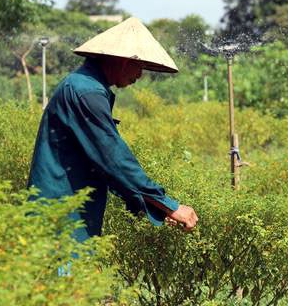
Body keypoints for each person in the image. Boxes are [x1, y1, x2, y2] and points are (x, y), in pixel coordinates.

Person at [27, 17, 198, 245]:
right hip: (59, 218)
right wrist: (168, 205)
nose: (140, 75)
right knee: (61, 277)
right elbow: (114, 159)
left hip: (67, 213)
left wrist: (160, 207)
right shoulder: (85, 92)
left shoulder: (86, 87)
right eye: (140, 66)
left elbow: (109, 163)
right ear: (124, 61)